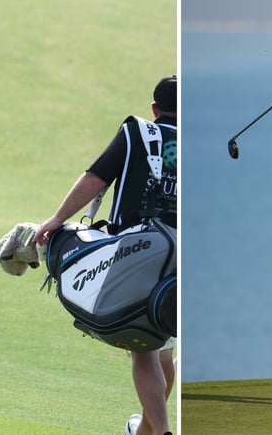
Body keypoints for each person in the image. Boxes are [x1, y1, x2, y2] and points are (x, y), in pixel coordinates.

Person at [32, 74, 177, 435]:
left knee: (142, 346)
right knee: (163, 348)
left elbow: (96, 178)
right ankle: (146, 429)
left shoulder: (137, 132)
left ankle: (159, 431)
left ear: (154, 109)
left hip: (138, 251)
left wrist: (56, 219)